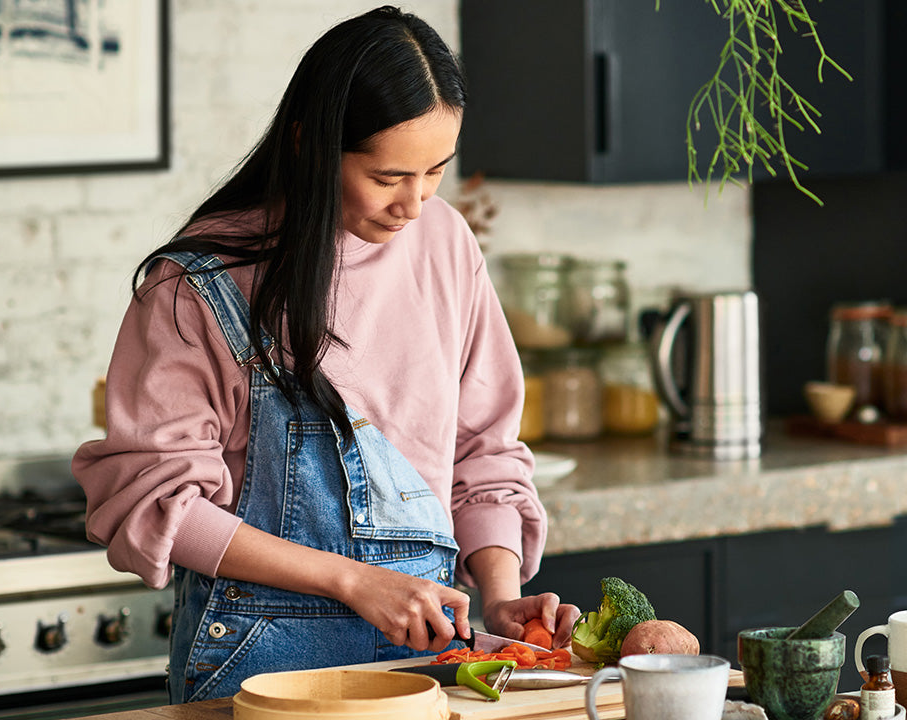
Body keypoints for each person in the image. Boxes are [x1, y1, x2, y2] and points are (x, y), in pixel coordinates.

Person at [73, 5, 580, 703]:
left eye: (436, 169)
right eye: (388, 175)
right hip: (263, 672)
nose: (415, 201)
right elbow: (160, 501)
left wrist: (500, 596)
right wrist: (354, 581)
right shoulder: (200, 282)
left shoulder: (444, 243)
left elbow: (482, 451)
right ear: (310, 144)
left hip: (430, 666)